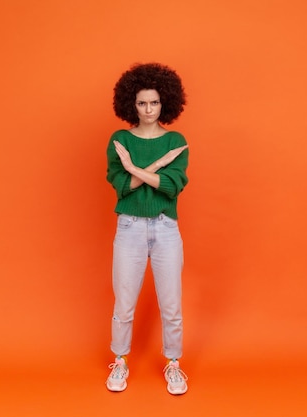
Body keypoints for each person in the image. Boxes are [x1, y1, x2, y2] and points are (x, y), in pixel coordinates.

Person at [105, 62, 190, 395]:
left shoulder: (176, 140)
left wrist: (136, 169)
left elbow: (171, 187)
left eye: (154, 102)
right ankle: (120, 360)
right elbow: (121, 185)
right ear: (131, 104)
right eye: (142, 103)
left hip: (166, 228)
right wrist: (148, 165)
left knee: (172, 305)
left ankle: (173, 365)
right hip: (129, 228)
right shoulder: (120, 139)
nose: (149, 109)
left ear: (165, 102)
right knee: (124, 303)